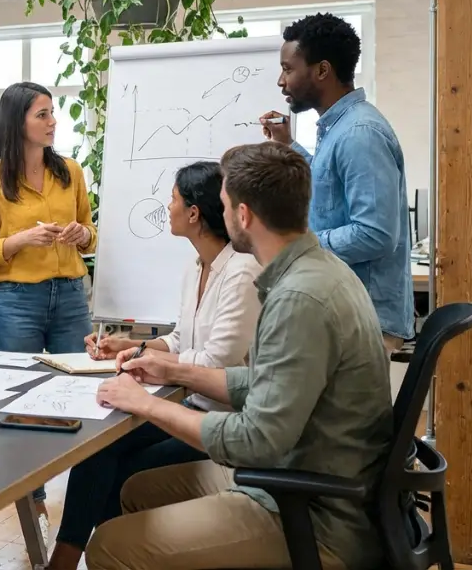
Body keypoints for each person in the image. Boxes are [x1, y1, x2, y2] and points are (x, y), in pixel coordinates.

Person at [85, 141, 393, 570]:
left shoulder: (299, 298)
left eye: (226, 205)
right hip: (311, 478)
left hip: (312, 513)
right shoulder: (320, 271)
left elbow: (255, 439)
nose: (222, 214)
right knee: (136, 489)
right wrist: (172, 369)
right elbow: (267, 381)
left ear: (243, 215)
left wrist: (146, 403)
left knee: (109, 546)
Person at [47, 161, 262, 570]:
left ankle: (93, 556)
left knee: (123, 468)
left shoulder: (242, 270)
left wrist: (153, 361)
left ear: (195, 214)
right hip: (191, 405)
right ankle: (71, 557)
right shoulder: (197, 265)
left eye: (174, 199)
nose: (168, 206)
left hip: (222, 418)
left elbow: (219, 361)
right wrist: (131, 345)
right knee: (97, 447)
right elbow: (182, 339)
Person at [0, 81, 97, 524]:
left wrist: (83, 235)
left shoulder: (72, 172)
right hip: (17, 299)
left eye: (52, 112)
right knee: (21, 400)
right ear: (17, 121)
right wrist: (19, 240)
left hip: (70, 297)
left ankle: (85, 493)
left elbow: (89, 230)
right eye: (42, 114)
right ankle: (33, 496)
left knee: (81, 393)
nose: (52, 121)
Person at [259, 12, 413, 354]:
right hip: (345, 312)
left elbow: (375, 234)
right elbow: (329, 190)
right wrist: (288, 147)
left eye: (287, 69)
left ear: (322, 71)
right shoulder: (342, 128)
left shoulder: (360, 134)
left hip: (363, 319)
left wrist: (297, 246)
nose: (281, 82)